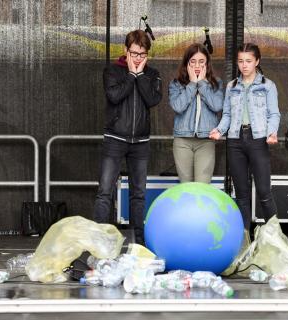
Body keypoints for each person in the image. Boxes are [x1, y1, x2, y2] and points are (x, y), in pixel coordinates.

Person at [94, 29, 162, 245]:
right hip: (115, 138)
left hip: (140, 142)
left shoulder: (152, 74)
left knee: (138, 194)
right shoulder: (113, 71)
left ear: (147, 54)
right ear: (126, 50)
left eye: (142, 54)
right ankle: (99, 241)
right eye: (134, 53)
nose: (137, 58)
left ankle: (138, 243)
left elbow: (152, 99)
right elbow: (114, 96)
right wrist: (132, 75)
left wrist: (140, 75)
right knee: (105, 191)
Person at [209, 42, 280, 232]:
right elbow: (227, 115)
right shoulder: (232, 86)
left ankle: (275, 237)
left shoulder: (268, 86)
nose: (244, 65)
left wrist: (272, 132)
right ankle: (244, 240)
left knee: (264, 192)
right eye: (241, 61)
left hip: (258, 139)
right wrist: (219, 130)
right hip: (235, 140)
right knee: (241, 194)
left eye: (248, 61)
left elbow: (274, 114)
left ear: (257, 61)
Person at [169, 43, 224, 183]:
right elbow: (177, 107)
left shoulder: (216, 83)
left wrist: (202, 84)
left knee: (202, 187)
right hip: (182, 141)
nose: (197, 66)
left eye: (201, 61)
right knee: (186, 187)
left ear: (207, 64)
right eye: (192, 62)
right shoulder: (176, 84)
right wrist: (192, 84)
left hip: (206, 141)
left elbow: (217, 106)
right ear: (186, 64)